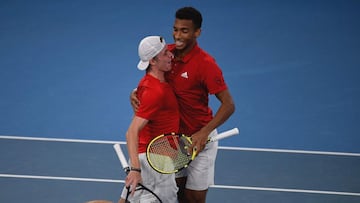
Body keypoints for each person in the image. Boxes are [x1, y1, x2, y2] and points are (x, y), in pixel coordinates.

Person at [130, 7, 235, 203]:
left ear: (197, 33)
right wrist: (134, 94)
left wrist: (204, 132)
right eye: (175, 29)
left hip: (199, 140)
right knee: (175, 193)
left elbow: (228, 105)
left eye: (184, 31)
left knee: (194, 199)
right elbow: (150, 84)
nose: (177, 36)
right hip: (172, 142)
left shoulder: (206, 64)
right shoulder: (165, 54)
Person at [119, 36, 179, 203]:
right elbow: (131, 132)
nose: (171, 56)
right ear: (152, 60)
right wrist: (135, 169)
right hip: (156, 162)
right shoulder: (156, 91)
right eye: (166, 53)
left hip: (148, 157)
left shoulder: (148, 83)